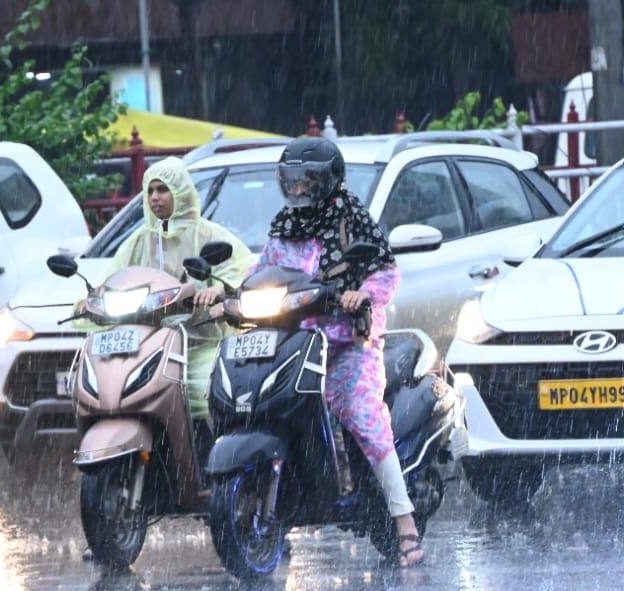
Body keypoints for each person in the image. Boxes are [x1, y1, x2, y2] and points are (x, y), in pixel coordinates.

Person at [252, 136, 424, 567]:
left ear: (329, 181)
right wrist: (228, 293)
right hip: (294, 341)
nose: (299, 190)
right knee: (271, 410)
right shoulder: (283, 228)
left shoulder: (354, 221)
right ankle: (274, 516)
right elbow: (261, 271)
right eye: (292, 181)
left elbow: (386, 274)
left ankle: (406, 526)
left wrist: (361, 294)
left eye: (308, 181)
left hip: (348, 342)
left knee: (364, 418)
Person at [109, 156, 254, 423]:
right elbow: (115, 279)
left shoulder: (209, 234)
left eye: (163, 189)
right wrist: (91, 301)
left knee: (203, 394)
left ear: (181, 192)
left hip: (203, 343)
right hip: (147, 346)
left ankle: (215, 456)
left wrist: (218, 289)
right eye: (150, 190)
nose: (155, 197)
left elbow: (242, 272)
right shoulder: (138, 242)